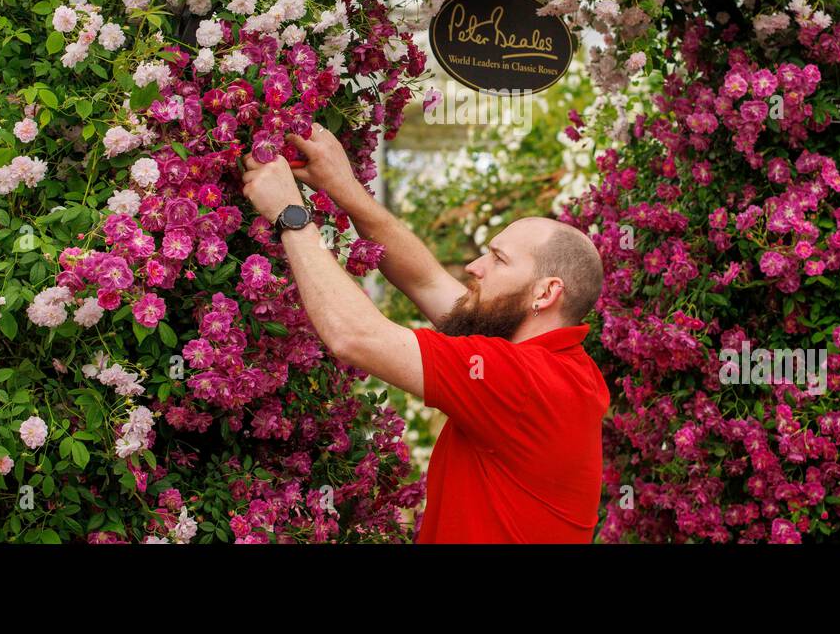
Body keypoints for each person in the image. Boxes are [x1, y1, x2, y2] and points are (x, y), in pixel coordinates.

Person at [240, 122, 609, 543]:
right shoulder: (558, 367)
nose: (474, 266)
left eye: (498, 259)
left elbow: (356, 336)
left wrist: (292, 215)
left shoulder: (525, 381)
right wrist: (343, 186)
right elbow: (427, 280)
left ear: (545, 293)